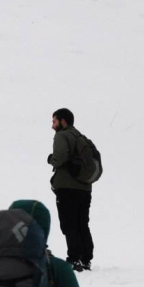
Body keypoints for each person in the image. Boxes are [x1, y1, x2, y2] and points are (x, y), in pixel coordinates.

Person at [46, 108, 94, 270]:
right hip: (85, 188)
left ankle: (75, 258)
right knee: (82, 223)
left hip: (67, 187)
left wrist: (50, 159)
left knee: (69, 224)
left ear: (63, 121)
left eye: (54, 121)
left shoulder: (62, 136)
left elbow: (59, 158)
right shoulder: (80, 137)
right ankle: (86, 258)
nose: (52, 125)